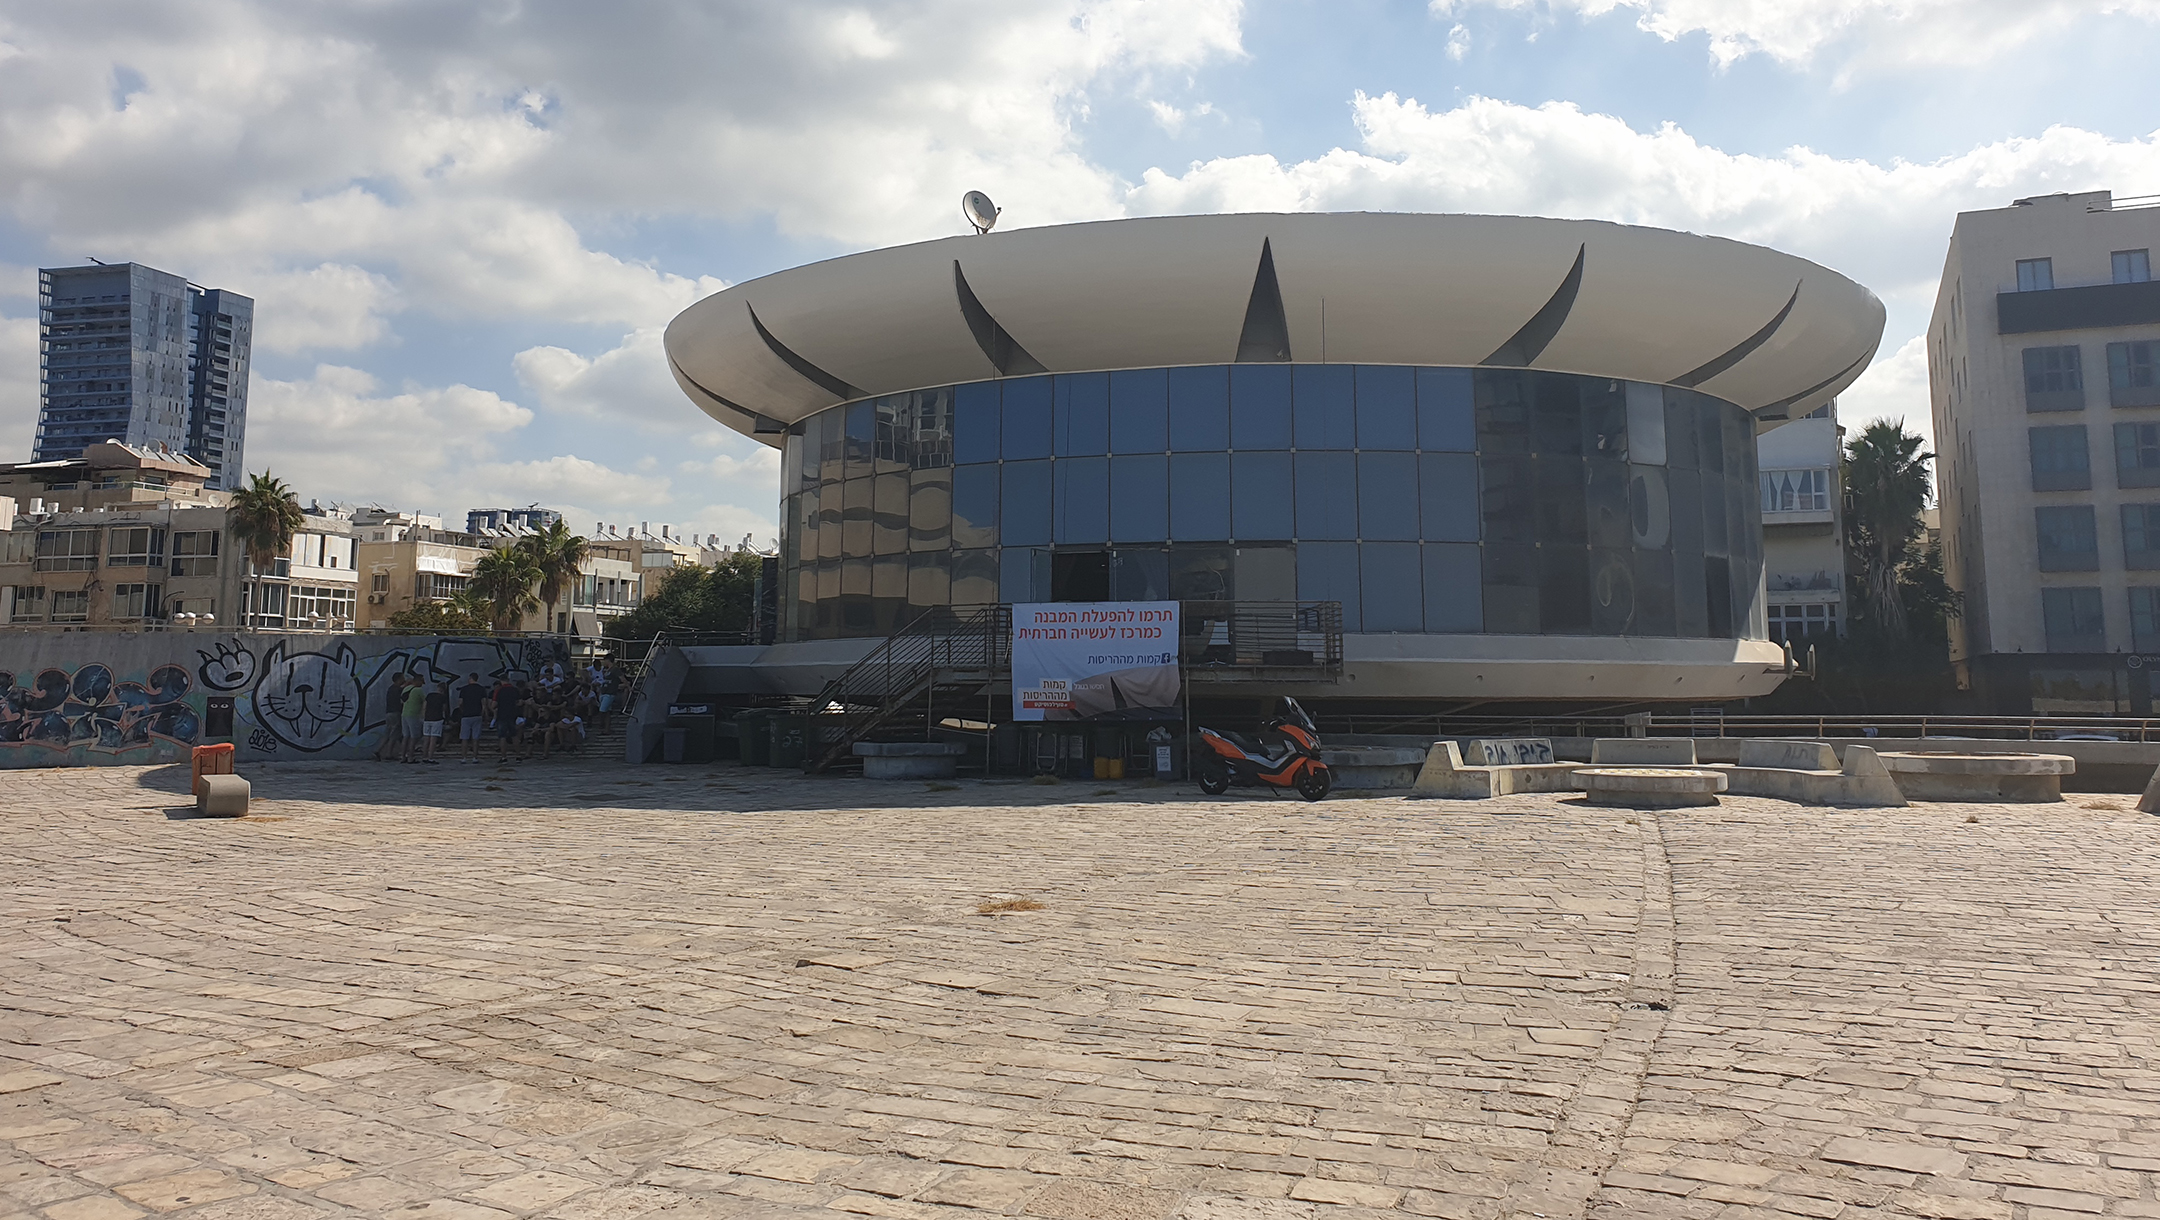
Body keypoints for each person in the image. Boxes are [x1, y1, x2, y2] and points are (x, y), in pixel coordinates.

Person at [455, 672, 488, 763]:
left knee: (464, 738)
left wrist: (462, 710)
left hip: (466, 715)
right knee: (475, 738)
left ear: (470, 678)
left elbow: (460, 703)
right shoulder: (481, 689)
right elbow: (484, 704)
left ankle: (464, 758)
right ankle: (475, 757)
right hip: (477, 715)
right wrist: (483, 714)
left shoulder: (464, 689)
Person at [375, 674, 407, 762]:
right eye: (402, 678)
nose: (404, 680)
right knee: (394, 734)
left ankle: (378, 750)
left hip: (389, 713)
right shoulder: (398, 690)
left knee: (387, 733)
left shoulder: (390, 689)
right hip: (396, 713)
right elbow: (402, 699)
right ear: (398, 679)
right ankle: (389, 754)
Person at [493, 677, 525, 762]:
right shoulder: (515, 690)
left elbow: (494, 704)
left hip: (502, 715)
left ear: (501, 681)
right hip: (512, 715)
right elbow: (520, 702)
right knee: (514, 736)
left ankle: (504, 757)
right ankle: (518, 756)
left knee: (502, 737)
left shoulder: (499, 691)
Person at [399, 675, 428, 763]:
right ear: (418, 681)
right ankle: (410, 757)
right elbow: (425, 701)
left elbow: (401, 701)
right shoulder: (418, 690)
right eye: (422, 682)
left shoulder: (406, 689)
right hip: (414, 715)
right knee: (414, 737)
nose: (422, 685)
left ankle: (403, 756)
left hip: (404, 714)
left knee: (405, 736)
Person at [420, 680, 450, 764]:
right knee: (433, 739)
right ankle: (430, 758)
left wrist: (423, 716)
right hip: (437, 719)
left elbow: (424, 706)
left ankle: (424, 756)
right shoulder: (443, 698)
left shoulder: (429, 695)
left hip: (427, 719)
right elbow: (444, 709)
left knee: (426, 739)